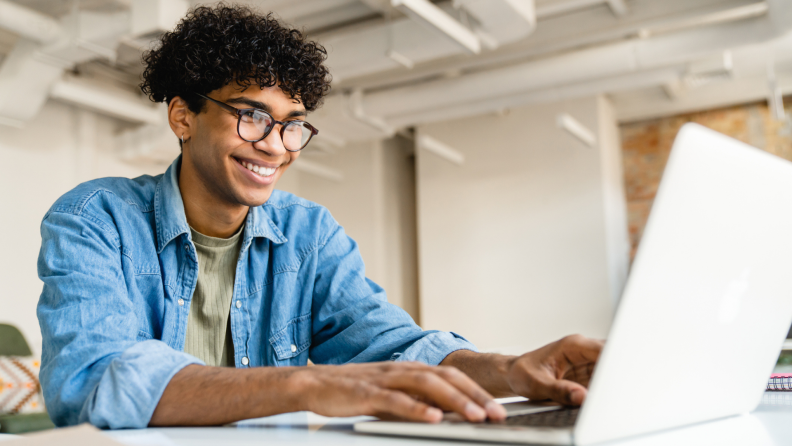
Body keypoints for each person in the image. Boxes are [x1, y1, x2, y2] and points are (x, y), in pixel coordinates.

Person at [37, 4, 603, 429]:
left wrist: (512, 370)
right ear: (183, 117)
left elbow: (390, 346)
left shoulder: (308, 233)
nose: (276, 145)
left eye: (292, 124)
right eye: (252, 115)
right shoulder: (95, 218)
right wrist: (309, 383)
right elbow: (94, 382)